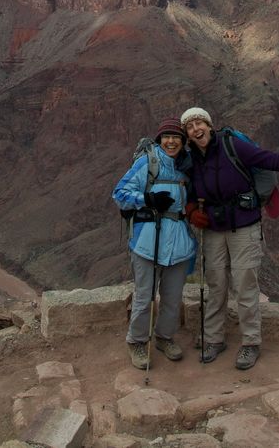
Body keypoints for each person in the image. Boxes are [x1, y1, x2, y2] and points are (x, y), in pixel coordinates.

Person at [180, 106, 279, 370]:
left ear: (209, 125)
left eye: (199, 123)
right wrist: (190, 211)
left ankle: (251, 343)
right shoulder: (190, 160)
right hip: (213, 229)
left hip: (244, 226)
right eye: (190, 126)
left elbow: (270, 160)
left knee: (245, 286)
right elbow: (184, 188)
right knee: (216, 285)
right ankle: (213, 338)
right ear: (187, 134)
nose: (196, 129)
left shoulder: (232, 146)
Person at [112, 117, 198, 370]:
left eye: (176, 137)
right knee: (145, 296)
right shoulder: (147, 162)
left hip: (179, 242)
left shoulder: (188, 165)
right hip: (148, 239)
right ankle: (137, 341)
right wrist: (148, 199)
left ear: (183, 141)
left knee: (172, 297)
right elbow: (120, 194)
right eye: (166, 137)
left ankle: (164, 337)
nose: (171, 142)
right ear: (159, 139)